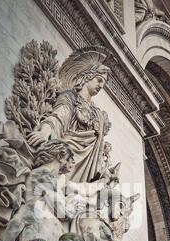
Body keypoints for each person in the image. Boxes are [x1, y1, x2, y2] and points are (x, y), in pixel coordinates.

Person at [27, 48, 113, 183]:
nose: (101, 86)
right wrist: (44, 132)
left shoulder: (98, 114)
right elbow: (58, 117)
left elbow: (99, 149)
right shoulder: (70, 98)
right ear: (87, 76)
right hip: (65, 156)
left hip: (87, 167)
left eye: (103, 83)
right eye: (99, 80)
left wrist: (106, 171)